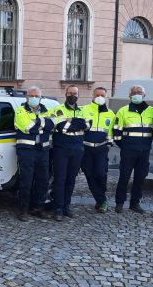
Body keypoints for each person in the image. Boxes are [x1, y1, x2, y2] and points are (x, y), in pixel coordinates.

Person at [13, 86, 55, 222]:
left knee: (43, 180)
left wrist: (38, 123)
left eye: (36, 96)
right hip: (26, 150)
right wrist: (43, 125)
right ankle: (23, 209)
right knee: (26, 181)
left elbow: (52, 125)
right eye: (31, 96)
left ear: (41, 98)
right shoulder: (20, 111)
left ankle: (38, 207)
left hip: (43, 150)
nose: (34, 98)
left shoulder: (47, 111)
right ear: (27, 97)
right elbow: (28, 128)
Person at [51, 85, 91, 221]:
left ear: (78, 95)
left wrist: (71, 122)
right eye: (70, 93)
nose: (72, 95)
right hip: (61, 149)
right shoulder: (58, 109)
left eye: (75, 93)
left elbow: (87, 125)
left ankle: (66, 206)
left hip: (77, 149)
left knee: (71, 180)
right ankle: (57, 208)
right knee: (60, 179)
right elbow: (61, 127)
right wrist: (77, 123)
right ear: (65, 94)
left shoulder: (83, 110)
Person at [113, 85, 153, 214]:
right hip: (128, 151)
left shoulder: (151, 111)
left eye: (139, 92)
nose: (137, 94)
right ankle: (119, 203)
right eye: (134, 93)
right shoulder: (123, 111)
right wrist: (124, 146)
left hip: (144, 151)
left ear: (144, 95)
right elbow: (116, 131)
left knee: (140, 178)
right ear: (130, 96)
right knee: (124, 177)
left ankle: (135, 203)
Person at [81, 87, 115, 213]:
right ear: (93, 96)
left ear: (106, 96)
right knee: (89, 175)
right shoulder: (84, 110)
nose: (100, 97)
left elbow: (110, 131)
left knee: (101, 174)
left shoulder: (110, 114)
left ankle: (101, 199)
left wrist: (108, 144)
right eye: (97, 95)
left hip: (101, 148)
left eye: (102, 95)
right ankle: (101, 201)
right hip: (86, 148)